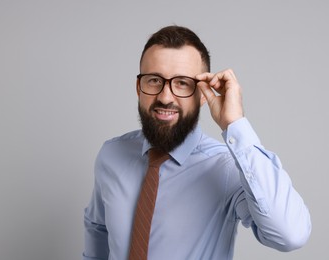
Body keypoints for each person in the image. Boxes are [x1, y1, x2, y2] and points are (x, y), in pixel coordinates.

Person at [83, 25, 311, 260]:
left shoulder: (226, 169)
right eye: (153, 80)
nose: (165, 96)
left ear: (203, 94)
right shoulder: (111, 154)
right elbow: (98, 230)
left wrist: (235, 123)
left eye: (182, 83)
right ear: (138, 88)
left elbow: (290, 235)